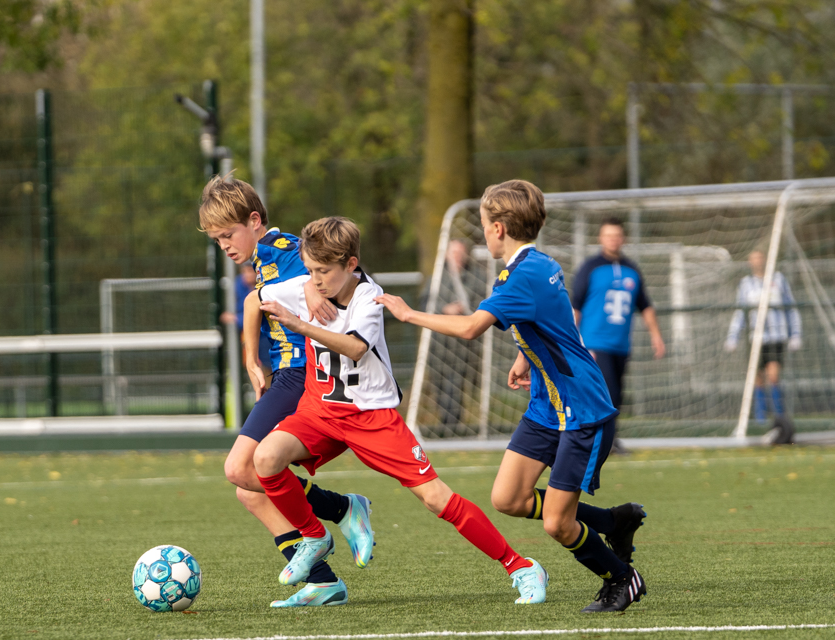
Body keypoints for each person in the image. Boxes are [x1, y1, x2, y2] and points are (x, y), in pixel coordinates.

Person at [246, 217, 549, 607]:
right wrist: (298, 298)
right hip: (320, 411)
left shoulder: (369, 298)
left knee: (438, 499)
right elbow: (254, 299)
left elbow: (354, 348)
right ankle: (315, 536)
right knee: (265, 459)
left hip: (372, 419)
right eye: (310, 270)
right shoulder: (307, 287)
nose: (317, 279)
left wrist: (300, 325)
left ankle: (520, 566)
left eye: (324, 271)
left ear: (351, 264)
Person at [376, 180, 647, 613]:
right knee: (509, 498)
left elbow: (469, 328)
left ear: (499, 228)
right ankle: (614, 520)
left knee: (558, 524)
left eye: (483, 225)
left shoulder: (524, 275)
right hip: (547, 404)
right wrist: (525, 355)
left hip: (580, 408)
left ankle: (621, 577)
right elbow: (550, 320)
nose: (483, 233)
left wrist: (408, 314)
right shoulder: (535, 265)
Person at [199, 174, 375, 608]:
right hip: (284, 375)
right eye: (216, 238)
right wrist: (250, 358)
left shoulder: (288, 250)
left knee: (240, 469)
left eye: (227, 234)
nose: (224, 244)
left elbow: (343, 280)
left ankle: (342, 509)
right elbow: (254, 300)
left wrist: (312, 292)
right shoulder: (264, 260)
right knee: (249, 490)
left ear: (254, 220)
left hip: (302, 375)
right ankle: (323, 581)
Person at [571, 218, 665, 454]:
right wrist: (571, 340)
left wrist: (656, 335)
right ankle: (601, 442)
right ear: (600, 239)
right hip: (593, 342)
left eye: (617, 235)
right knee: (605, 392)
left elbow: (645, 305)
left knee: (617, 394)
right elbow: (575, 306)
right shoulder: (590, 267)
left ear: (623, 239)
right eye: (608, 235)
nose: (613, 239)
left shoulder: (632, 269)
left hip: (620, 344)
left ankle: (607, 440)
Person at [725, 249, 802, 422]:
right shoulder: (745, 284)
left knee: (773, 376)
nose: (757, 262)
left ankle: (780, 419)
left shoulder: (779, 279)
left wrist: (795, 333)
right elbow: (740, 312)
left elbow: (791, 307)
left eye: (760, 258)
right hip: (756, 338)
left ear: (765, 260)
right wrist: (733, 336)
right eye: (753, 259)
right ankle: (760, 419)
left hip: (776, 337)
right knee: (757, 379)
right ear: (749, 262)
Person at [421, 239, 484, 431]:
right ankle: (444, 424)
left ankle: (454, 425)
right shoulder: (436, 280)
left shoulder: (476, 279)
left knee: (455, 385)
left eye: (460, 253)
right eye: (453, 253)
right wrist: (443, 309)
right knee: (440, 384)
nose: (457, 257)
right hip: (439, 344)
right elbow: (424, 306)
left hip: (462, 345)